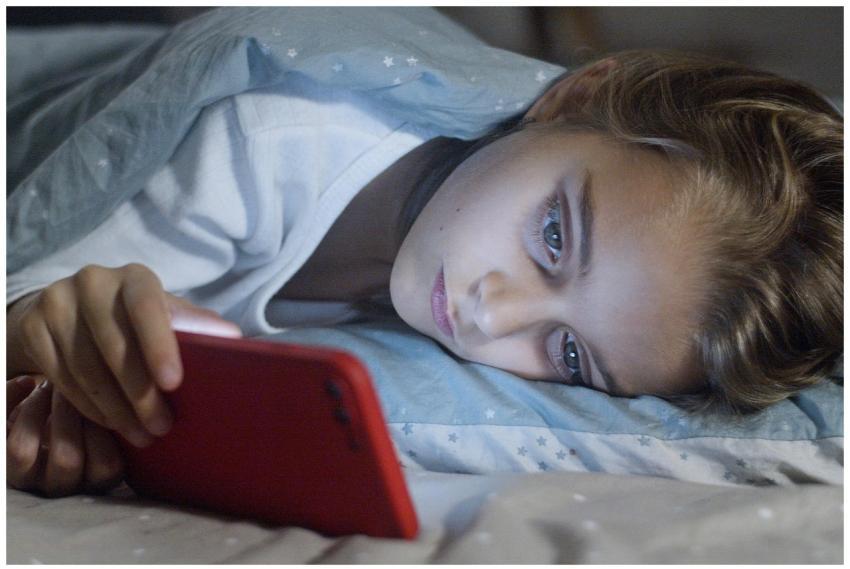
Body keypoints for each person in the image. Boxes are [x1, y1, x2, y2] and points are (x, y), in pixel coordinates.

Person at [6, 49, 843, 497]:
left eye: (570, 354)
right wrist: (39, 327)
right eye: (554, 235)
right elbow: (30, 299)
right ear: (572, 99)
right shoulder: (261, 140)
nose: (493, 314)